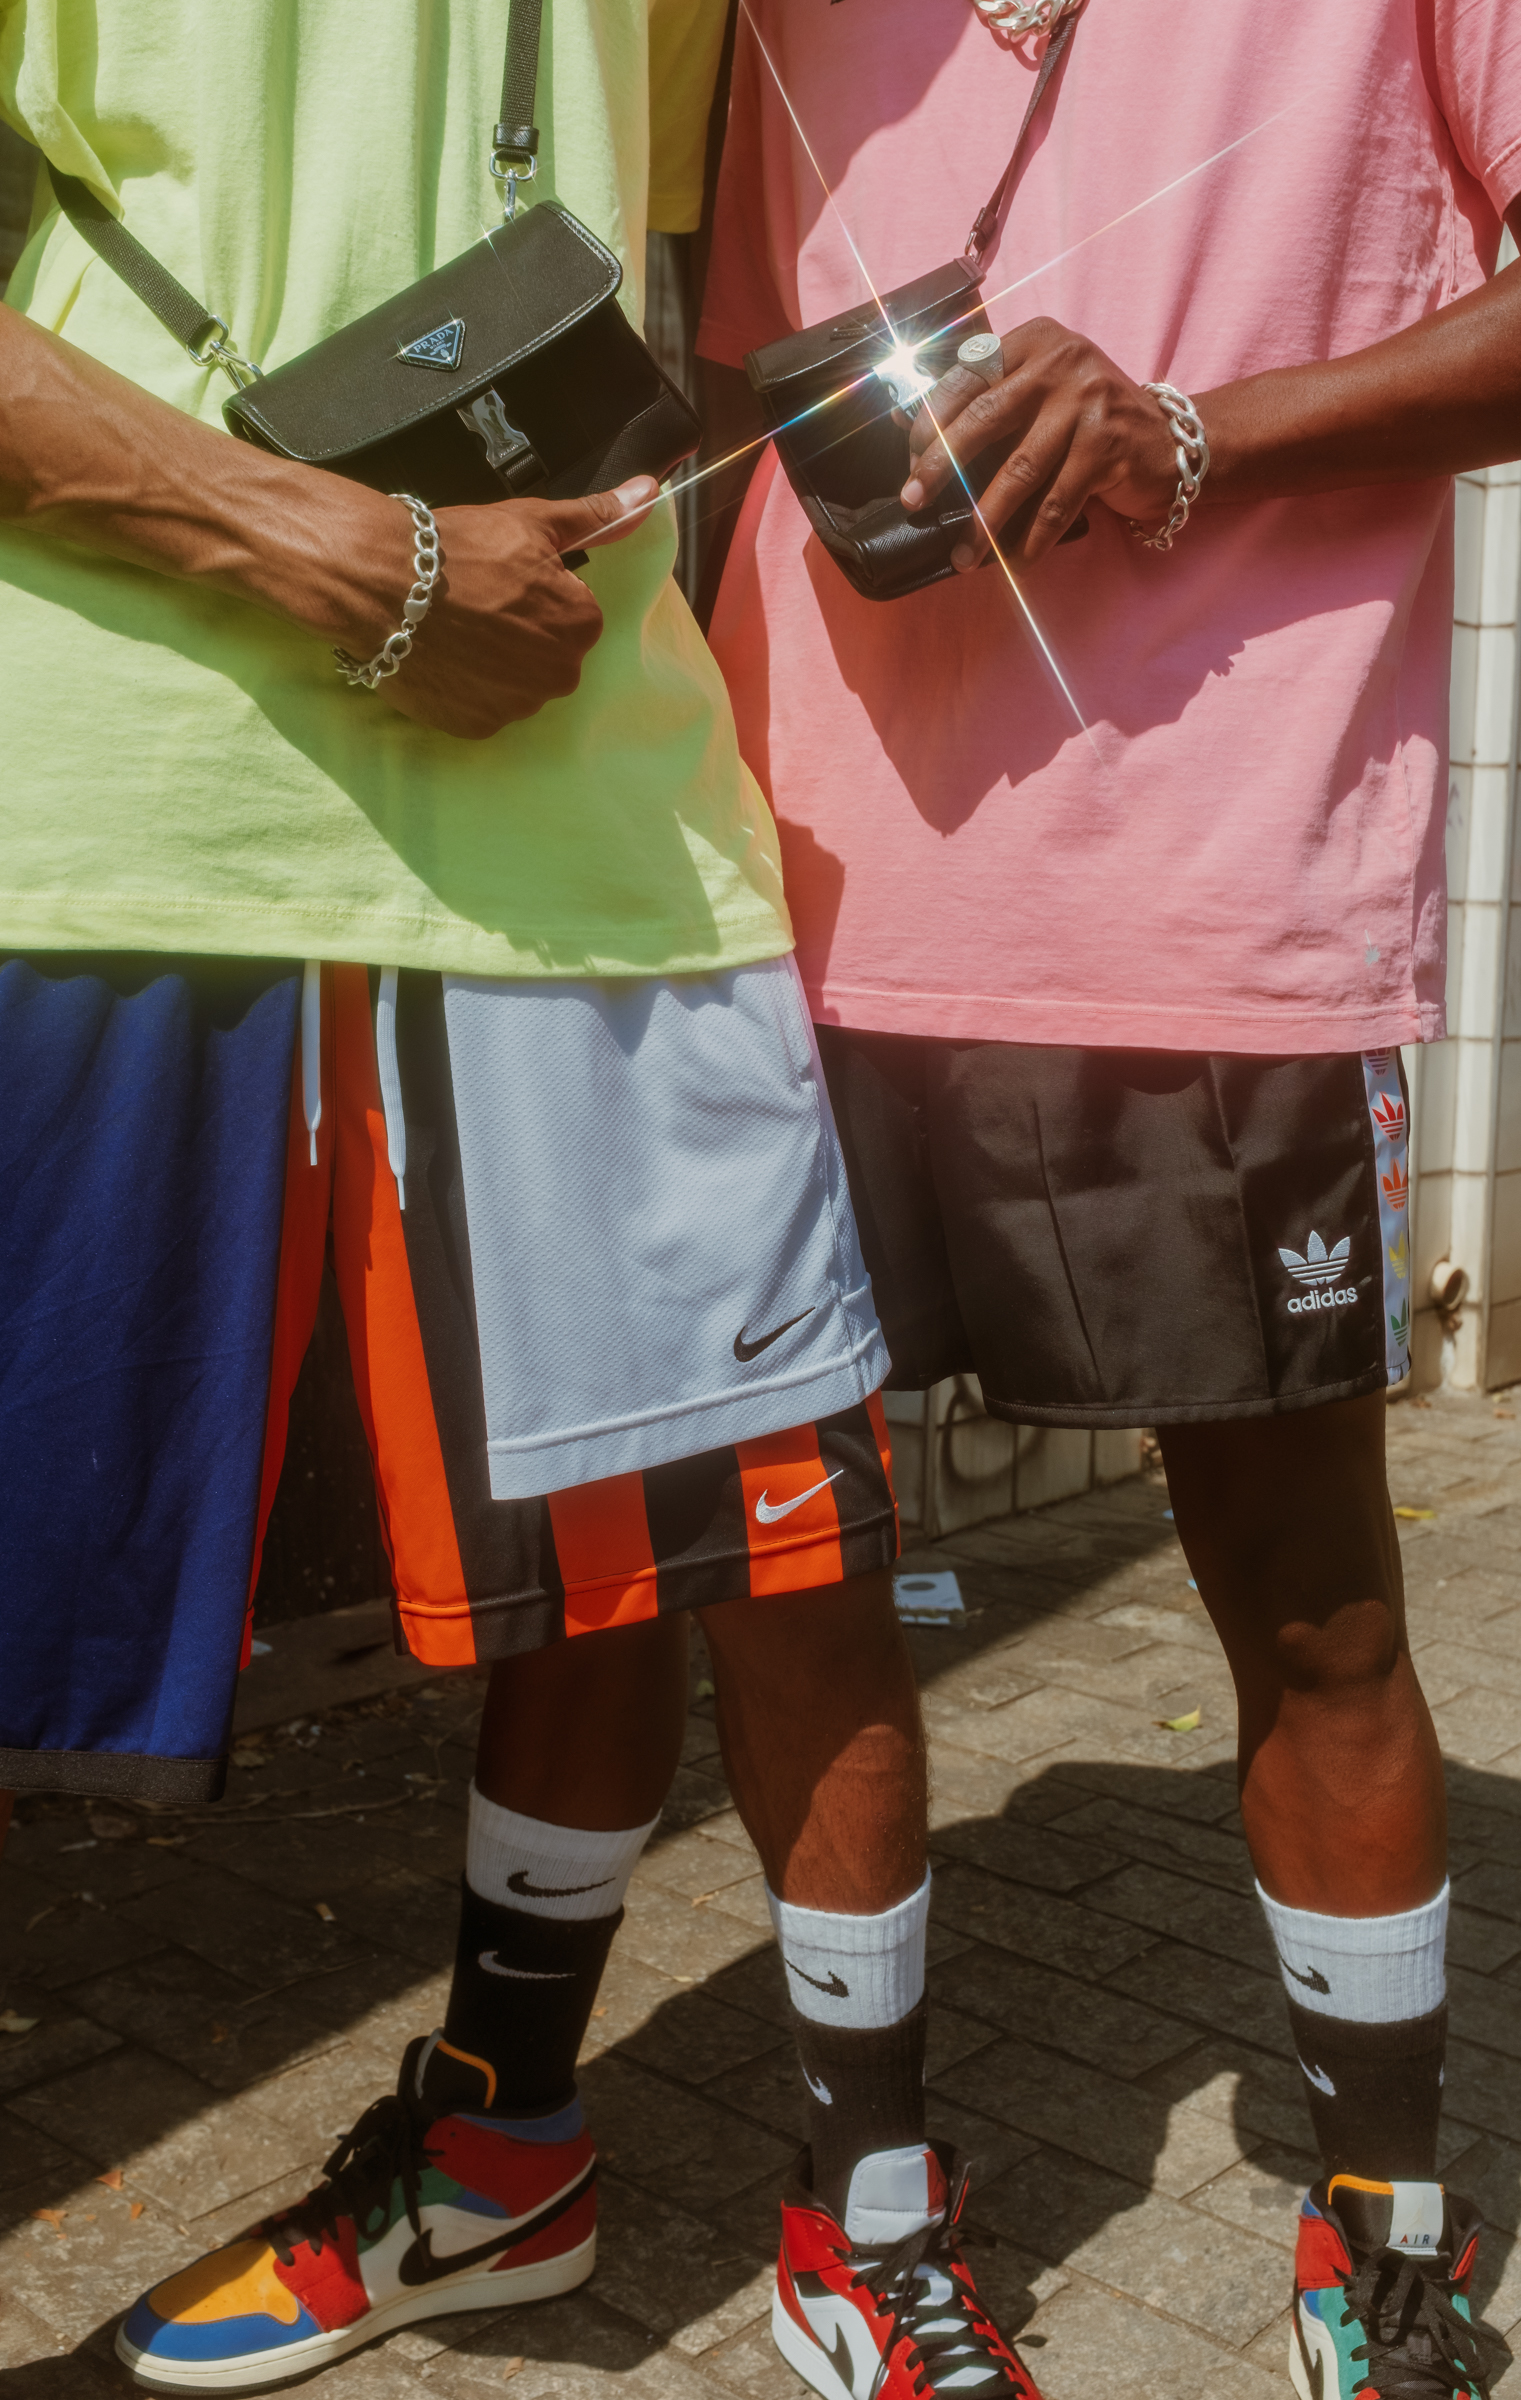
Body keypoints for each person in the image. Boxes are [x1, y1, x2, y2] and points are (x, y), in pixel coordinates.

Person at [0, 4, 1039, 2395]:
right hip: (111, 818)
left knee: (760, 1562)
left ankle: (715, 2198)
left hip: (596, 826)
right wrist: (338, 547)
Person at [695, 3, 1521, 2395]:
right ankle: (864, 2218)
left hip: (1215, 912)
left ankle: (1383, 2230)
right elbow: (712, 386)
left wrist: (1189, 432)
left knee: (1310, 1605)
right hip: (782, 905)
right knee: (800, 1576)